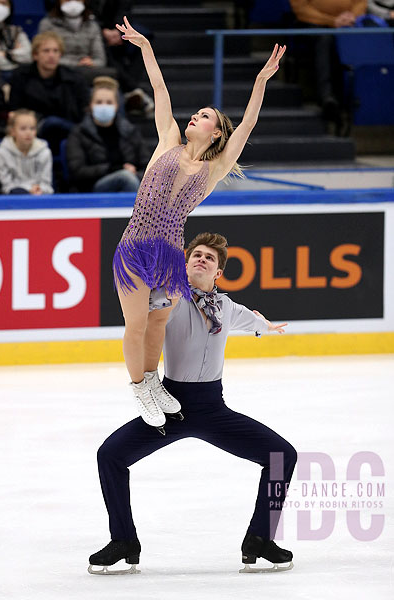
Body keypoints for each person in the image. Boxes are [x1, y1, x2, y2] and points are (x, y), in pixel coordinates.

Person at [112, 16, 286, 434]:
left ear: (216, 133)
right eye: (197, 113)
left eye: (205, 116)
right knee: (136, 324)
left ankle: (152, 379)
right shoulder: (168, 140)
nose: (195, 116)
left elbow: (248, 125)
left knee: (158, 322)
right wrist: (144, 47)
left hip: (172, 255)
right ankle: (141, 387)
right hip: (135, 248)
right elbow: (158, 88)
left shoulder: (213, 169)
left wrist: (260, 80)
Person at [88, 231, 297, 575]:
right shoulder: (168, 300)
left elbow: (252, 321)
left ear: (218, 273)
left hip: (214, 410)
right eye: (196, 254)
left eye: (209, 258)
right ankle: (124, 540)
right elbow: (142, 317)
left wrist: (265, 326)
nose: (201, 258)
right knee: (110, 455)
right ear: (185, 265)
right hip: (172, 406)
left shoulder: (227, 307)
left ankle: (260, 539)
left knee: (282, 456)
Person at [9, 31, 90, 155]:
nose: (51, 55)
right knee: (52, 123)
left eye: (55, 51)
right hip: (33, 129)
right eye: (46, 51)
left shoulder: (74, 79)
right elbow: (15, 110)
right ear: (35, 55)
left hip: (67, 129)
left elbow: (84, 111)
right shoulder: (21, 76)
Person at [66, 75, 150, 192]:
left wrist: (135, 173)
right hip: (94, 187)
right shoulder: (79, 133)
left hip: (132, 180)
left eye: (109, 102)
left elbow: (148, 165)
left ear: (117, 105)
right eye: (99, 102)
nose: (104, 106)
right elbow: (77, 171)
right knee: (125, 178)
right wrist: (113, 169)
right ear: (91, 105)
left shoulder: (130, 130)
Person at [289, 0, 367, 122]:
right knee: (325, 38)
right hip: (312, 24)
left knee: (362, 37)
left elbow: (361, 2)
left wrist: (352, 16)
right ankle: (327, 97)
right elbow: (300, 8)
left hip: (348, 24)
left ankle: (359, 101)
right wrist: (332, 21)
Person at [90, 0, 154, 117]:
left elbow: (124, 9)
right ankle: (132, 89)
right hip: (92, 27)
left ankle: (130, 90)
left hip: (116, 26)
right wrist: (101, 30)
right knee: (103, 47)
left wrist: (118, 29)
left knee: (142, 40)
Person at [38, 0, 107, 74]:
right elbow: (44, 56)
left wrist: (92, 63)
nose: (72, 2)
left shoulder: (93, 26)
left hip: (86, 72)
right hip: (58, 73)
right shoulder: (47, 25)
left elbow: (100, 60)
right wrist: (77, 64)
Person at [0, 109, 53, 195]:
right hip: (12, 198)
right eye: (23, 129)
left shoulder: (45, 152)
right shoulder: (1, 153)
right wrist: (27, 191)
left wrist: (40, 189)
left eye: (32, 128)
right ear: (12, 131)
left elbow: (47, 184)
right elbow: (6, 186)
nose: (28, 133)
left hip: (39, 197)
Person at [0, 0, 32, 82]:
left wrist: (5, 54)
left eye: (3, 3)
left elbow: (28, 55)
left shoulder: (15, 30)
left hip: (17, 75)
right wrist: (15, 53)